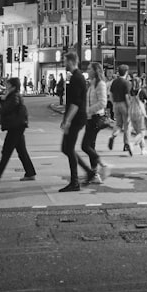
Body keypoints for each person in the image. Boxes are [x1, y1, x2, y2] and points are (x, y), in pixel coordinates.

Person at [0, 77, 36, 182]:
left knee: (7, 151)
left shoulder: (14, 96)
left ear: (13, 86)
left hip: (16, 126)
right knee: (21, 151)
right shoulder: (12, 95)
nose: (6, 85)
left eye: (8, 84)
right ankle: (30, 173)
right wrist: (3, 99)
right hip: (18, 125)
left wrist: (1, 106)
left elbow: (7, 108)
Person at [58, 53, 87, 192]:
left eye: (65, 61)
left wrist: (67, 120)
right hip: (76, 117)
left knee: (68, 148)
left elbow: (75, 103)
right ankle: (88, 172)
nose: (64, 64)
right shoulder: (75, 77)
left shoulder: (77, 78)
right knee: (66, 148)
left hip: (77, 118)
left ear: (71, 61)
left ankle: (75, 181)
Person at [80, 61, 110, 185]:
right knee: (90, 146)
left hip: (96, 118)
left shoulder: (100, 84)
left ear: (95, 71)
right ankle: (95, 174)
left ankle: (103, 165)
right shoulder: (92, 84)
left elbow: (103, 103)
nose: (87, 71)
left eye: (89, 69)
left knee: (85, 146)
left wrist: (88, 111)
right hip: (90, 118)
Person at [108, 64, 131, 153]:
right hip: (124, 104)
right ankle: (126, 144)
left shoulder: (114, 82)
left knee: (118, 124)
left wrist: (113, 103)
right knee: (127, 126)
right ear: (126, 72)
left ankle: (113, 135)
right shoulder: (126, 83)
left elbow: (111, 95)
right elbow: (126, 97)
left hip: (116, 104)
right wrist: (129, 108)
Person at [127, 77, 147, 155]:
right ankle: (132, 144)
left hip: (132, 113)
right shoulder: (142, 91)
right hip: (139, 113)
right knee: (142, 132)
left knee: (138, 132)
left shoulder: (131, 91)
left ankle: (143, 149)